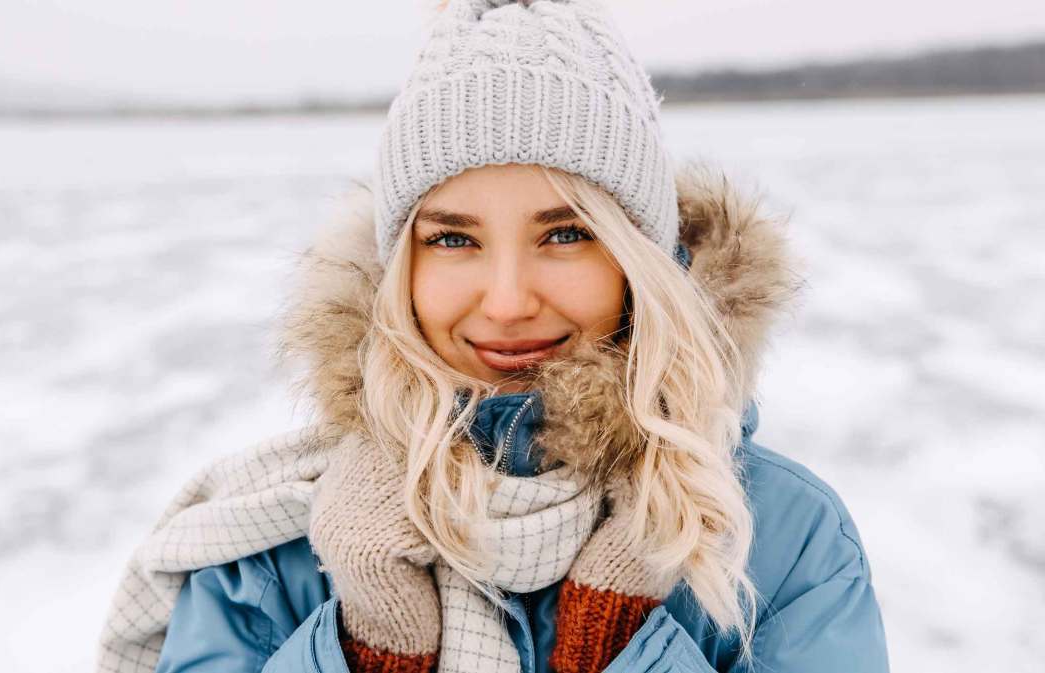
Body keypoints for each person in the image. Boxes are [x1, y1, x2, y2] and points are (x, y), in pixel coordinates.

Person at [95, 1, 890, 672]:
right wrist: (372, 649)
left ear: (638, 260)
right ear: (396, 267)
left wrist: (616, 645)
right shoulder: (269, 554)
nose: (507, 302)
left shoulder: (782, 544)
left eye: (567, 235)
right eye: (451, 239)